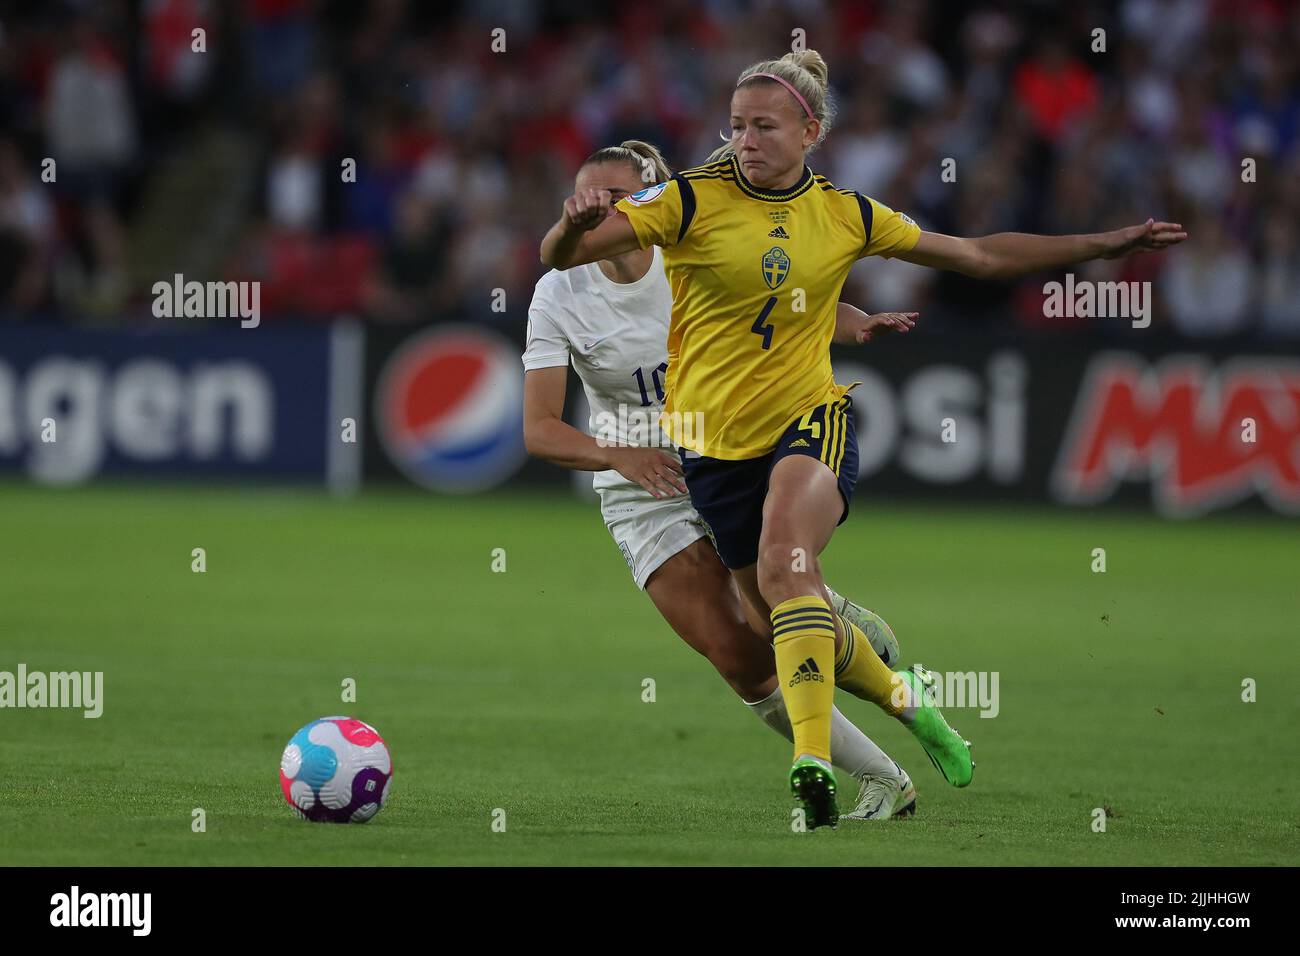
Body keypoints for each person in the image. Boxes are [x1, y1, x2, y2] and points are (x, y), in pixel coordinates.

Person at [540, 52, 1185, 828]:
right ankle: (917, 710)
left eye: (765, 126)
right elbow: (564, 257)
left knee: (785, 567)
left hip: (809, 418)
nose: (746, 140)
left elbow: (977, 254)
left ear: (810, 132)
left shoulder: (847, 213)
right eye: (737, 126)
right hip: (709, 450)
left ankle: (811, 763)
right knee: (778, 611)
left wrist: (1102, 245)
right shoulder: (686, 201)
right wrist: (570, 225)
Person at [524, 140, 920, 820]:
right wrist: (617, 455)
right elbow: (539, 429)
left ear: (651, 199)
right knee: (736, 655)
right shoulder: (560, 291)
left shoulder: (690, 249)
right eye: (587, 199)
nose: (600, 212)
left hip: (725, 445)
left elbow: (784, 303)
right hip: (635, 482)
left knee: (776, 606)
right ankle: (884, 778)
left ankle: (833, 623)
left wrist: (851, 324)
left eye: (615, 198)